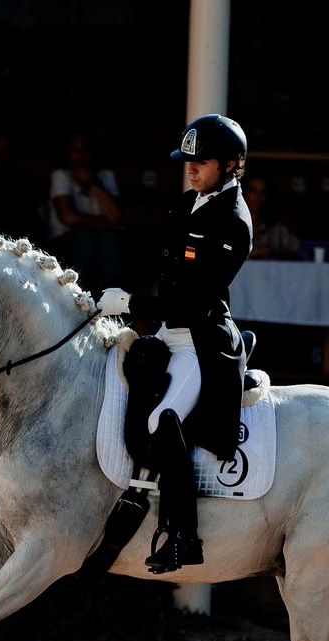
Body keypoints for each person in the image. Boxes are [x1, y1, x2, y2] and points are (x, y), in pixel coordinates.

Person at [94, 113, 253, 574]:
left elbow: (198, 292)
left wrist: (135, 303)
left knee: (163, 420)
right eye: (188, 161)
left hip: (198, 342)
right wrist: (110, 289)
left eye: (200, 161)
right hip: (167, 332)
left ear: (229, 165)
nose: (191, 168)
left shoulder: (234, 221)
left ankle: (185, 536)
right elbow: (154, 257)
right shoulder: (189, 203)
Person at [46, 130, 124, 290]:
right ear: (68, 153)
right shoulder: (61, 175)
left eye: (85, 150)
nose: (81, 156)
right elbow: (67, 218)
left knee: (108, 238)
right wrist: (102, 223)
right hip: (63, 241)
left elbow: (115, 216)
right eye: (76, 150)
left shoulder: (105, 176)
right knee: (84, 235)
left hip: (100, 241)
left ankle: (114, 295)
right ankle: (79, 294)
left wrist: (92, 182)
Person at [243, 176, 301, 259]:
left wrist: (273, 253)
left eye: (262, 192)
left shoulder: (277, 229)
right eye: (253, 191)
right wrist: (250, 252)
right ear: (244, 195)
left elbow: (299, 249)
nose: (258, 197)